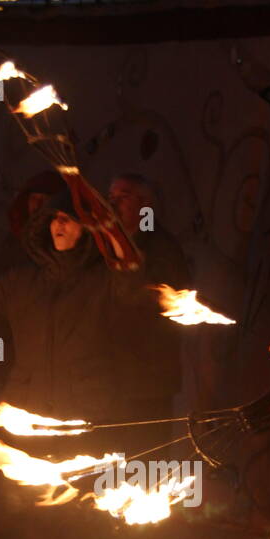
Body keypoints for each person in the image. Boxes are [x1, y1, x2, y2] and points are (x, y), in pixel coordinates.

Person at [0, 190, 159, 426]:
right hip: (27, 412)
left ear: (89, 229)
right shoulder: (23, 282)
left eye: (68, 217)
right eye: (55, 218)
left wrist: (114, 235)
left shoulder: (105, 281)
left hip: (87, 414)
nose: (59, 223)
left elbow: (131, 282)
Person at [109, 173, 188, 413]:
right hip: (109, 375)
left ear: (144, 204)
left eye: (123, 197)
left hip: (147, 377)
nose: (113, 204)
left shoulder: (161, 248)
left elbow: (162, 299)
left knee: (143, 444)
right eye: (111, 197)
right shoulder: (105, 245)